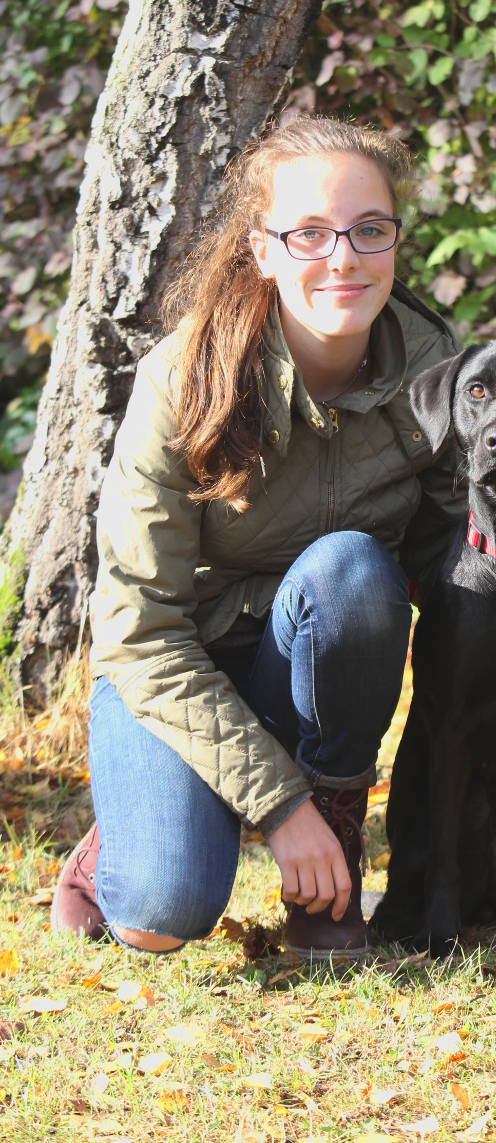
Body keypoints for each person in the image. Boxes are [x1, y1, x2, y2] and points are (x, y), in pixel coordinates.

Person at [50, 116, 467, 959]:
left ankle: (334, 853)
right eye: (309, 233)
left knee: (352, 570)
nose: (343, 258)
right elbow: (140, 638)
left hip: (312, 662)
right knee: (160, 914)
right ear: (262, 249)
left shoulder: (437, 376)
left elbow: (453, 552)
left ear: (394, 240)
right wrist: (279, 807)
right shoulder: (183, 379)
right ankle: (110, 854)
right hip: (176, 667)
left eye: (368, 230)